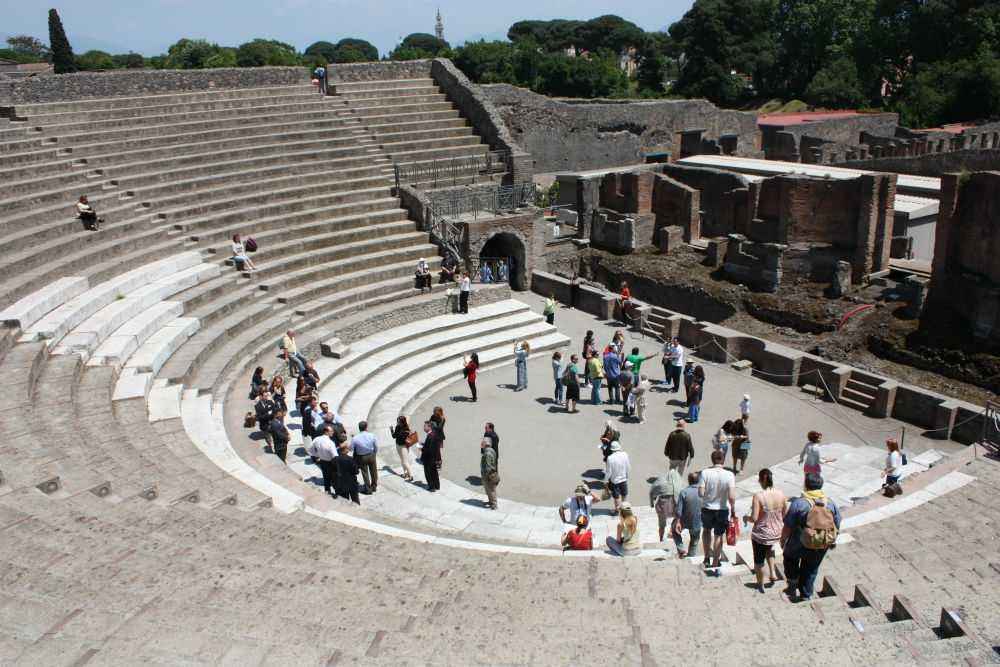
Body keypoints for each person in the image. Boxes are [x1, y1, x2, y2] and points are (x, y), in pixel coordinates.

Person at [782, 473, 841, 601]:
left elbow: (788, 525)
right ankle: (806, 595)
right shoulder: (830, 503)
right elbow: (837, 524)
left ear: (806, 485)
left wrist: (783, 541)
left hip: (799, 542)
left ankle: (792, 585)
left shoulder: (799, 504)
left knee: (790, 559)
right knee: (811, 569)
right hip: (821, 543)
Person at [743, 468, 787, 593]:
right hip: (776, 532)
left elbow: (754, 518)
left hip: (761, 534)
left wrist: (746, 518)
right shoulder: (781, 494)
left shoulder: (758, 496)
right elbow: (785, 513)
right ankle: (773, 572)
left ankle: (761, 584)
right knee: (770, 549)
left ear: (762, 481)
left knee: (758, 560)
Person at [699, 449, 736, 569]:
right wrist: (733, 510)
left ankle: (706, 558)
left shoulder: (705, 473)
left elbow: (701, 493)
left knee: (706, 531)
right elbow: (731, 496)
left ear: (712, 460)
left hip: (707, 507)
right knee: (719, 535)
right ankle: (716, 561)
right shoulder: (730, 475)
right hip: (722, 509)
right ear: (723, 460)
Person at [649, 468, 684, 543]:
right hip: (674, 505)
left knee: (661, 525)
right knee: (678, 518)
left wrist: (652, 503)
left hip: (662, 506)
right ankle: (672, 532)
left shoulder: (660, 481)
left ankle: (661, 539)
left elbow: (651, 491)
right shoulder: (679, 482)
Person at [672, 472, 702, 558]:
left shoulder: (684, 492)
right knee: (695, 539)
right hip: (698, 521)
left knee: (674, 529)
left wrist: (677, 522)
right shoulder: (703, 491)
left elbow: (678, 510)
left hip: (684, 520)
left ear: (689, 481)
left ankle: (681, 550)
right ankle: (691, 555)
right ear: (698, 481)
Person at [308, 424, 338, 496]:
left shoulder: (316, 439)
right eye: (331, 431)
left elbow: (310, 450)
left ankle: (327, 492)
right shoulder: (330, 443)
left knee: (326, 478)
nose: (333, 432)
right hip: (331, 462)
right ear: (326, 432)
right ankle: (337, 493)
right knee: (335, 478)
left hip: (322, 461)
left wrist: (317, 456)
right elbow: (335, 456)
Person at [351, 421, 378, 494]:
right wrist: (374, 453)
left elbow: (352, 449)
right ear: (366, 427)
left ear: (359, 428)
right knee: (374, 471)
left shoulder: (355, 438)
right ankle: (374, 486)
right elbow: (376, 446)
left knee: (365, 473)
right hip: (371, 455)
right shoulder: (372, 435)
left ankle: (368, 489)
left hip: (361, 457)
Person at [605, 441, 630, 514]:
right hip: (624, 478)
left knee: (616, 497)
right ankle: (625, 509)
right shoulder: (625, 454)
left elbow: (608, 472)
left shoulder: (610, 458)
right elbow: (628, 467)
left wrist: (605, 481)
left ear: (612, 449)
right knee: (624, 494)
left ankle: (617, 511)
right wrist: (626, 475)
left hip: (615, 481)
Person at [421, 421, 443, 492]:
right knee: (434, 472)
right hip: (434, 458)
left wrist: (422, 448)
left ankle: (431, 487)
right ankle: (437, 485)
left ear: (429, 427)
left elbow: (429, 450)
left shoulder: (430, 436)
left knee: (428, 473)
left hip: (429, 459)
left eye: (425, 426)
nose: (424, 427)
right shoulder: (434, 434)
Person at [390, 416, 414, 481]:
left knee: (405, 461)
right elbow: (394, 436)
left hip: (404, 447)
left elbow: (402, 438)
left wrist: (403, 433)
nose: (397, 423)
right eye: (397, 421)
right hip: (398, 445)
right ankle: (405, 473)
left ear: (403, 422)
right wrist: (392, 430)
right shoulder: (398, 427)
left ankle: (411, 475)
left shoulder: (406, 429)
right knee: (402, 460)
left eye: (399, 422)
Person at [480, 438, 499, 510]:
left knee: (490, 490)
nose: (481, 444)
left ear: (485, 444)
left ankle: (494, 504)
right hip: (492, 473)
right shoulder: (492, 450)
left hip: (488, 475)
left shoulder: (487, 453)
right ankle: (491, 502)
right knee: (490, 490)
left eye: (482, 443)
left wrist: (486, 476)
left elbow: (488, 466)